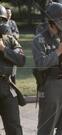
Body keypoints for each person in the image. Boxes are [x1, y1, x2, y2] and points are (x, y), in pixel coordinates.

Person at [32, 2, 62, 135]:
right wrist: (57, 52)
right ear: (51, 22)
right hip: (50, 87)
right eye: (61, 20)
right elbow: (40, 64)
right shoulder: (39, 39)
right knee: (46, 128)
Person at [0, 5, 25, 135]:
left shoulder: (10, 40)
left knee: (14, 126)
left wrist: (4, 49)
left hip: (6, 86)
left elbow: (21, 59)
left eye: (2, 20)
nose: (1, 24)